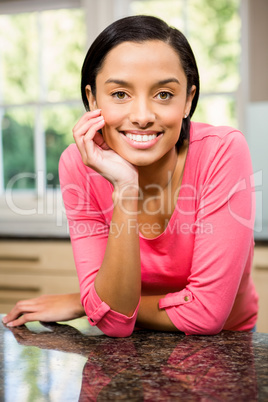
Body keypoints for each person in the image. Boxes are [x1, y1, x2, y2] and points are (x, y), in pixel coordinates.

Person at [2, 15, 258, 336]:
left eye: (164, 94)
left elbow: (205, 315)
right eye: (120, 94)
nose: (141, 117)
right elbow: (113, 323)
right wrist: (125, 186)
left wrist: (88, 304)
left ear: (188, 100)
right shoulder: (78, 164)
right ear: (93, 99)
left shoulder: (222, 152)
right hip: (133, 346)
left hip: (222, 351)